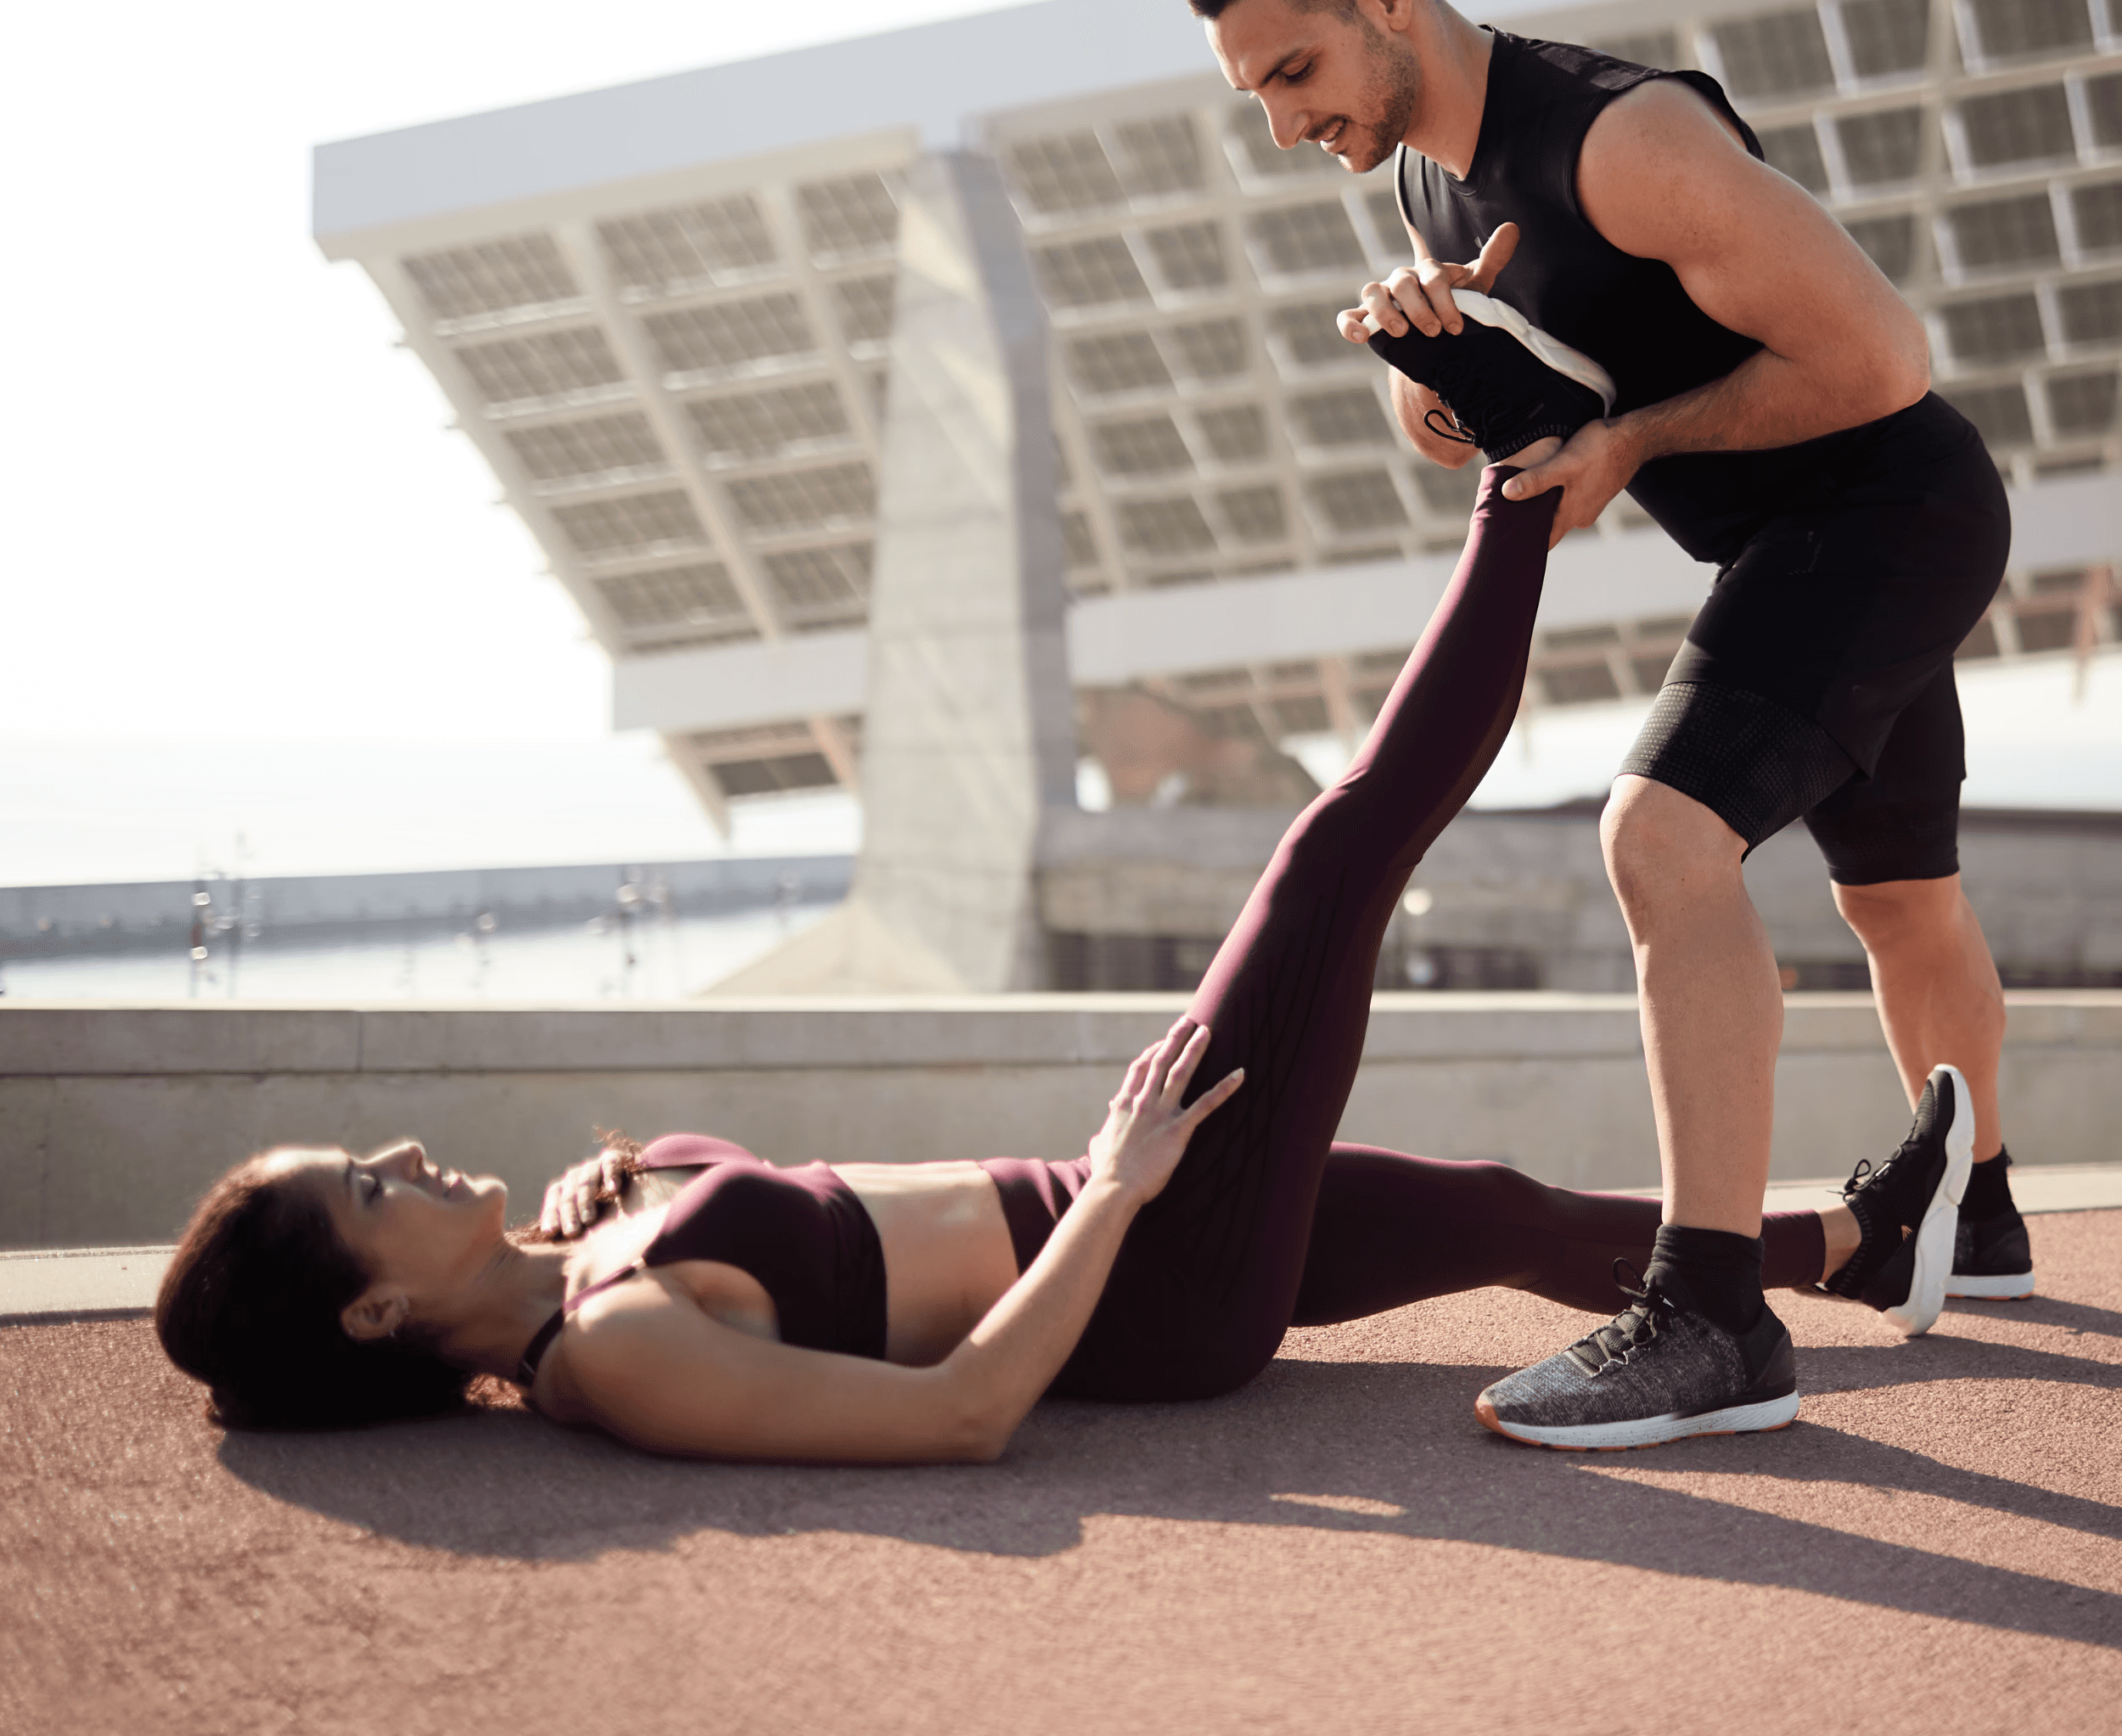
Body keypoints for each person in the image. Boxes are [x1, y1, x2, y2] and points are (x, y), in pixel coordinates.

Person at [155, 327, 1971, 1458]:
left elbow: (782, 1214)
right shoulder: (611, 1354)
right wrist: (1114, 1193)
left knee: (1496, 1204)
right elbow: (957, 1414)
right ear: (373, 1315)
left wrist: (640, 1163)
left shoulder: (588, 1243)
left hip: (1126, 1211)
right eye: (367, 1190)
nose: (398, 1153)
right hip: (1143, 1275)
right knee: (1333, 851)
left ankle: (1851, 1246)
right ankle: (1522, 478)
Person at [1180, 0, 2024, 1450]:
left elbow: (1882, 357)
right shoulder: (1436, 183)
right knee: (1902, 900)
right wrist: (1429, 382)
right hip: (1810, 542)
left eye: (1293, 73)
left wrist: (1632, 444)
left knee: (1662, 838)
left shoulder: (1621, 139)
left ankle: (1710, 1317)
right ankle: (1978, 1217)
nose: (1285, 126)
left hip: (1883, 510)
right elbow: (1533, 395)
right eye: (1256, 97)